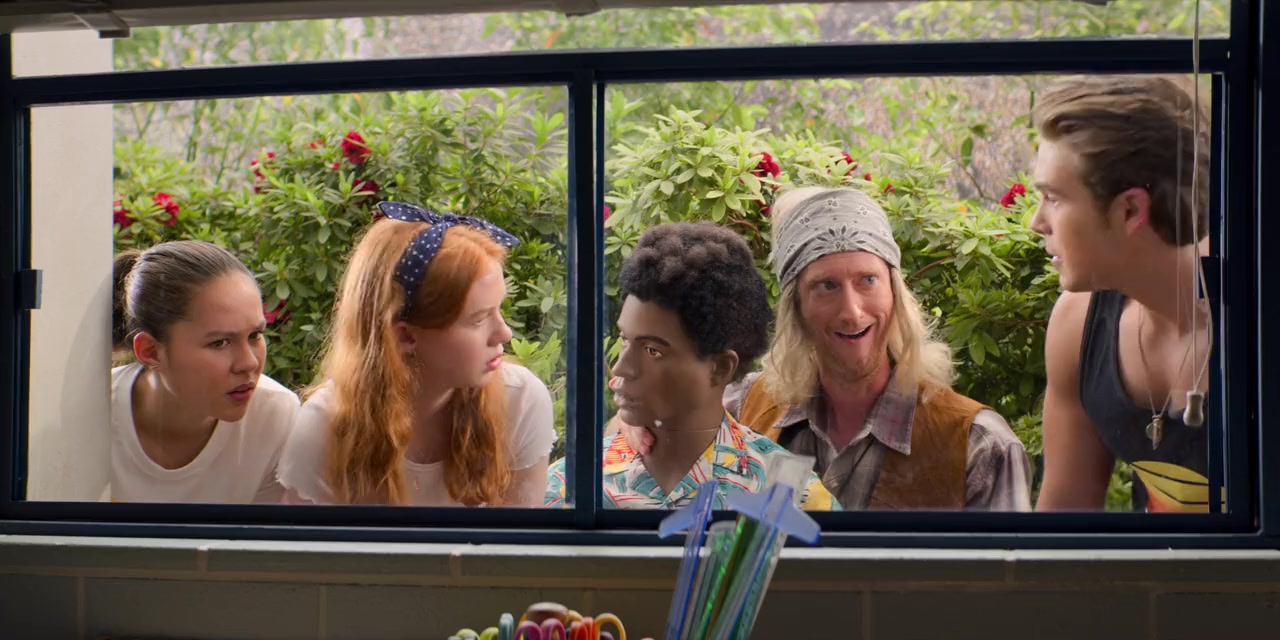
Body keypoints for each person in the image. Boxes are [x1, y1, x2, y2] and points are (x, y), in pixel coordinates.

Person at [615, 187, 1031, 511]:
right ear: (795, 308)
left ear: (896, 295)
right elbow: (637, 438)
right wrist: (633, 426)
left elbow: (1008, 591)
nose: (852, 312)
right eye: (826, 286)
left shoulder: (979, 446)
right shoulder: (743, 405)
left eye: (868, 280)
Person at [277, 202, 555, 507]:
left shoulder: (520, 401)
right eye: (478, 319)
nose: (504, 333)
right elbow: (303, 540)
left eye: (499, 309)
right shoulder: (325, 430)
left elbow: (518, 536)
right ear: (405, 335)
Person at [546, 222, 838, 510]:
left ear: (720, 368)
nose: (622, 368)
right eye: (624, 340)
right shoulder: (566, 488)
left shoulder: (792, 496)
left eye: (652, 350)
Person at [1030, 75, 1215, 513]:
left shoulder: (1261, 315)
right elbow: (1064, 523)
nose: (1036, 222)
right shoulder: (1077, 325)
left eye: (1053, 198)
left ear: (1130, 210)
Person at [109, 240, 299, 503]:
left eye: (255, 335)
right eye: (219, 343)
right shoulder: (89, 414)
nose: (249, 363)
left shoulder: (274, 415)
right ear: (151, 351)